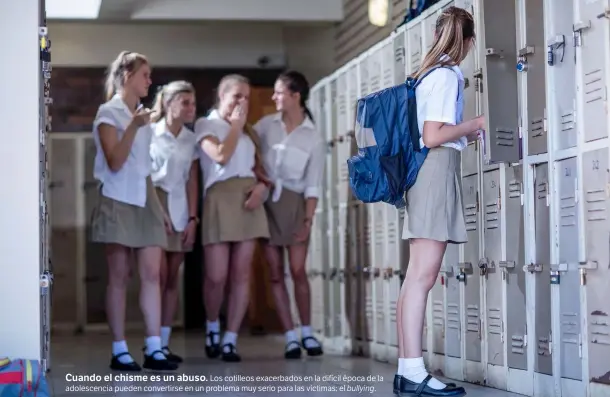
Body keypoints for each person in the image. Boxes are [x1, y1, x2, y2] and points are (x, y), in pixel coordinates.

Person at [395, 6, 483, 396]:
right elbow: (433, 135)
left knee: (416, 277)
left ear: (436, 35)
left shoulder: (428, 73)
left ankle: (407, 370)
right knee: (422, 277)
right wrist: (478, 124)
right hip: (434, 169)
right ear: (466, 41)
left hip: (425, 172)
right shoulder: (447, 75)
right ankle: (413, 373)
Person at [90, 51, 177, 371]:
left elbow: (144, 167)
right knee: (119, 276)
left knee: (153, 274)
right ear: (127, 76)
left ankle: (154, 347)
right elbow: (115, 161)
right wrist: (134, 127)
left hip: (145, 198)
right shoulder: (108, 113)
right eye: (145, 75)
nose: (149, 81)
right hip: (117, 197)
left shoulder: (141, 116)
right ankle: (119, 350)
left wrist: (160, 208)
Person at [194, 74, 271, 362]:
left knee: (241, 275)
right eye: (236, 95)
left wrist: (263, 188)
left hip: (248, 198)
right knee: (216, 276)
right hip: (219, 198)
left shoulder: (249, 132)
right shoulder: (207, 124)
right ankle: (212, 325)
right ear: (222, 96)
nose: (242, 102)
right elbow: (220, 156)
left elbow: (260, 170)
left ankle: (230, 338)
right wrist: (236, 126)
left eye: (247, 97)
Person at [254, 71, 326, 359]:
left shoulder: (314, 137)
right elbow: (246, 151)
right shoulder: (264, 126)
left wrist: (308, 221)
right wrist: (257, 175)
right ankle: (290, 338)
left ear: (296, 96)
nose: (274, 98)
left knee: (297, 270)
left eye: (279, 92)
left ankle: (307, 333)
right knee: (274, 273)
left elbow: (313, 184)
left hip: (296, 204)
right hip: (268, 203)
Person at [149, 81, 199, 364]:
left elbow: (192, 180)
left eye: (193, 103)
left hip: (180, 206)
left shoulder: (191, 140)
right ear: (169, 104)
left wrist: (192, 218)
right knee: (155, 276)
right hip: (154, 202)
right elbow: (145, 176)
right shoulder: (150, 133)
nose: (191, 108)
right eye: (185, 103)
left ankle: (164, 343)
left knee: (171, 278)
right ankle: (152, 342)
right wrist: (160, 213)